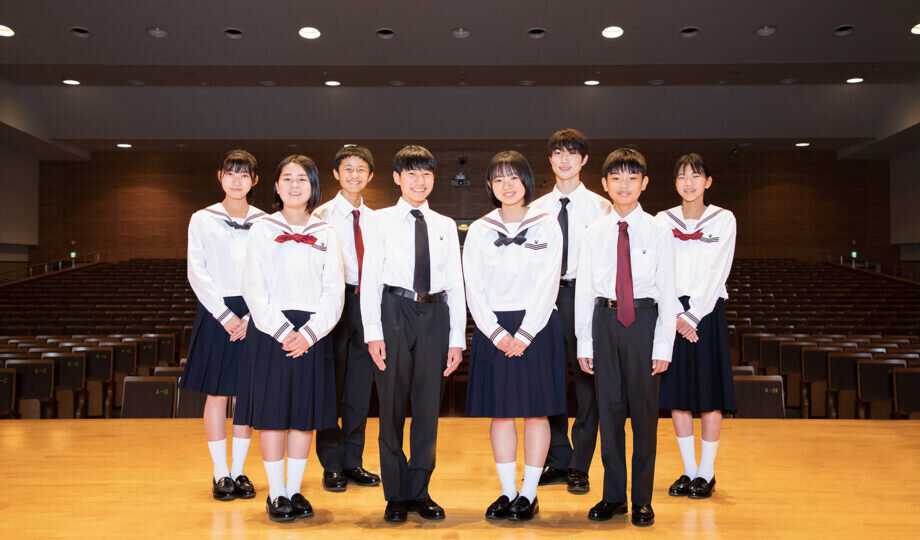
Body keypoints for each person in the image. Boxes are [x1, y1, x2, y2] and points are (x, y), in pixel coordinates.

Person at [360, 145, 466, 523]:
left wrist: (457, 338)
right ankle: (395, 494)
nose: (420, 181)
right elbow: (370, 279)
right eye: (412, 173)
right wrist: (373, 332)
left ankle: (419, 491)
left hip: (435, 314)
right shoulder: (380, 221)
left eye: (426, 174)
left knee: (427, 407)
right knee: (391, 406)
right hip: (394, 310)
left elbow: (456, 283)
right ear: (397, 178)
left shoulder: (445, 224)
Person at [575, 148, 678, 526]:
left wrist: (664, 344)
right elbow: (584, 290)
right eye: (616, 178)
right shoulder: (593, 233)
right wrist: (585, 341)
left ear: (644, 183)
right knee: (610, 414)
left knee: (645, 417)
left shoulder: (659, 230)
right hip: (604, 320)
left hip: (644, 322)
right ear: (604, 184)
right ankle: (614, 496)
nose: (624, 185)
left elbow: (668, 290)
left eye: (632, 178)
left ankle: (642, 500)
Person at [238, 155, 345, 522]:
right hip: (272, 331)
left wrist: (309, 334)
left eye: (302, 178)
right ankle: (276, 493)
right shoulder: (261, 229)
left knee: (304, 416)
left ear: (313, 186)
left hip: (314, 332)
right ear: (276, 186)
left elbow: (335, 291)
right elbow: (253, 287)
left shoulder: (327, 232)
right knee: (273, 416)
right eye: (287, 178)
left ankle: (295, 490)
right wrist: (285, 332)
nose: (295, 185)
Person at [463, 150, 566, 522]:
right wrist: (495, 333)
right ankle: (507, 492)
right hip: (494, 329)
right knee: (502, 414)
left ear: (527, 181)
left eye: (513, 177)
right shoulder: (479, 229)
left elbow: (549, 283)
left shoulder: (547, 224)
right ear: (490, 185)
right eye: (499, 179)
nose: (507, 185)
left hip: (537, 326)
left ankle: (529, 493)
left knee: (536, 414)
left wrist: (524, 333)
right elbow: (473, 286)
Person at [531, 128, 611, 494]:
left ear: (584, 159)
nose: (565, 160)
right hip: (547, 298)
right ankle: (558, 458)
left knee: (587, 382)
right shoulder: (535, 209)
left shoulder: (602, 207)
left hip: (587, 296)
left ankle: (580, 464)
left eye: (572, 153)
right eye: (558, 153)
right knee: (549, 380)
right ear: (550, 159)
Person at [183, 149, 264, 502]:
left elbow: (268, 273)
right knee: (216, 395)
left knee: (246, 394)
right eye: (231, 173)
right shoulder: (202, 219)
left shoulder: (266, 221)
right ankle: (220, 473)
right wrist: (225, 315)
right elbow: (196, 272)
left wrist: (250, 316)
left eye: (244, 175)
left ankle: (240, 470)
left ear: (254, 181)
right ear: (220, 176)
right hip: (216, 310)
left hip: (254, 313)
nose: (236, 180)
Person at [656, 153, 737, 500]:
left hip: (707, 312)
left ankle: (707, 471)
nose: (688, 183)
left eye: (695, 176)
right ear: (675, 183)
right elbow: (659, 269)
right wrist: (676, 313)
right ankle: (689, 470)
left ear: (708, 181)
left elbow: (718, 269)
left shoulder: (724, 219)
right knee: (678, 395)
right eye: (682, 176)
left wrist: (692, 316)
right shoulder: (662, 220)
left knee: (709, 394)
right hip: (671, 311)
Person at [313, 145, 382, 492]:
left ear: (370, 176)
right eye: (348, 169)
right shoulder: (320, 216)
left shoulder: (378, 220)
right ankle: (331, 465)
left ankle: (353, 461)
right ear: (336, 174)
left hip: (367, 304)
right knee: (331, 388)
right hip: (333, 304)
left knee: (359, 388)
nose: (354, 175)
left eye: (361, 170)